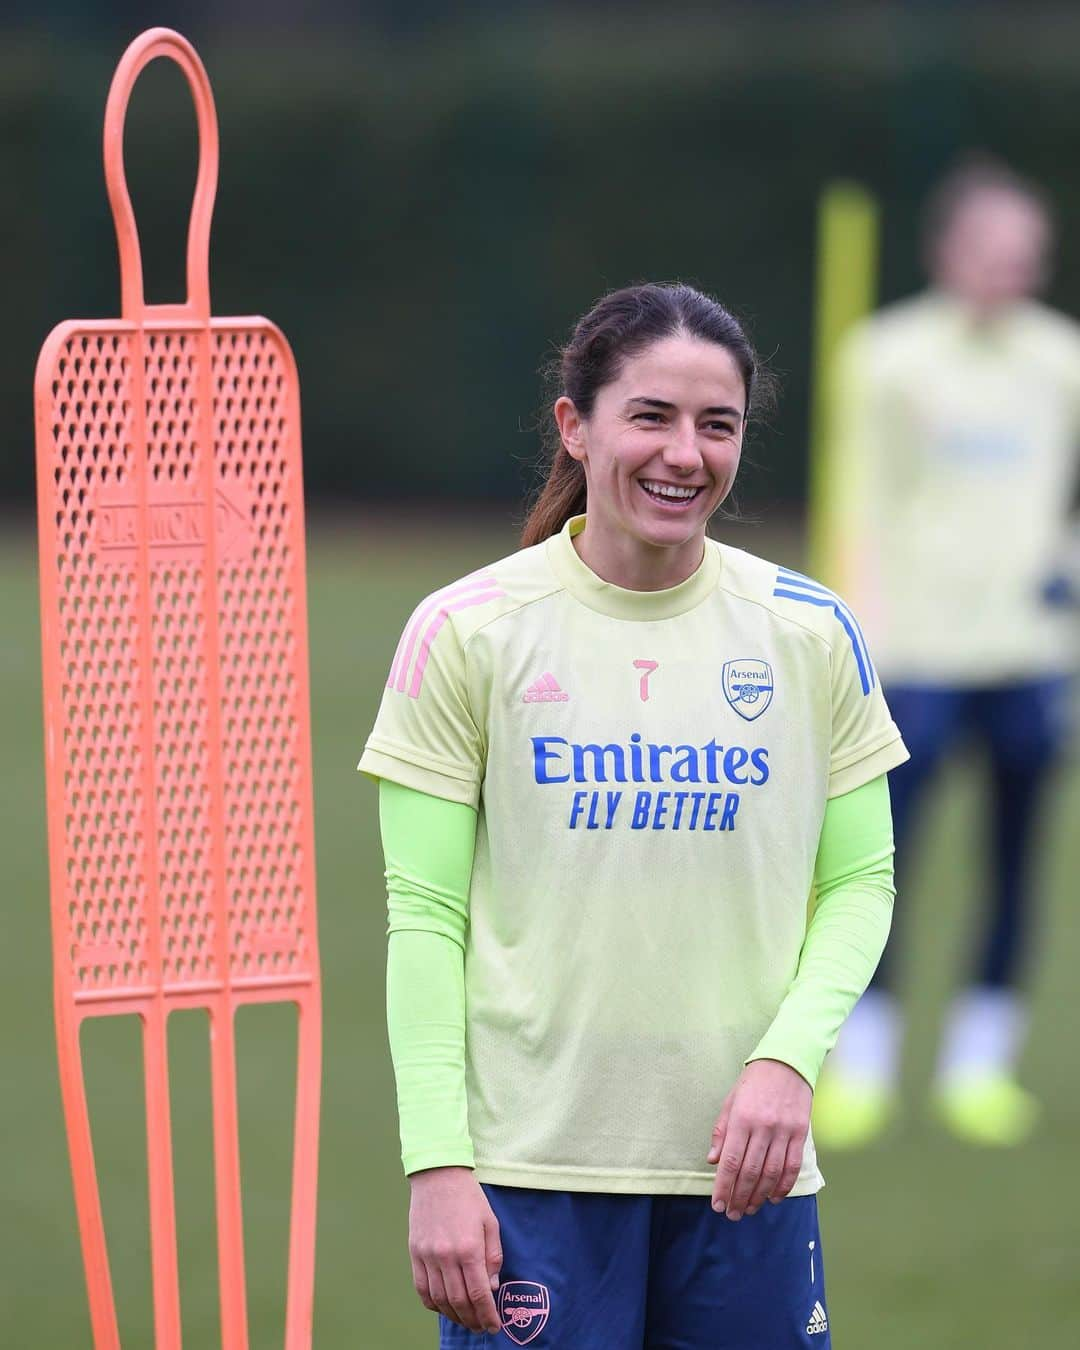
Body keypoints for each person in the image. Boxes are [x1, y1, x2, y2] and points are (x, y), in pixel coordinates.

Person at [358, 282, 908, 1348]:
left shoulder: (808, 632)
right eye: (651, 416)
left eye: (719, 425)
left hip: (747, 1175)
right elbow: (423, 918)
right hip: (530, 1179)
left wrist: (787, 1062)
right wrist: (436, 1164)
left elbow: (860, 882)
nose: (685, 454)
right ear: (577, 424)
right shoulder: (467, 631)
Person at [813, 159, 1080, 1151]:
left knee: (1016, 864)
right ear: (947, 251)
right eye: (990, 252)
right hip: (912, 654)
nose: (1007, 272)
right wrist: (860, 637)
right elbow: (861, 506)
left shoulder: (1061, 360)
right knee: (877, 868)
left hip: (1028, 654)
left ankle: (981, 1067)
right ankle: (863, 1068)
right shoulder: (884, 358)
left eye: (1026, 257)